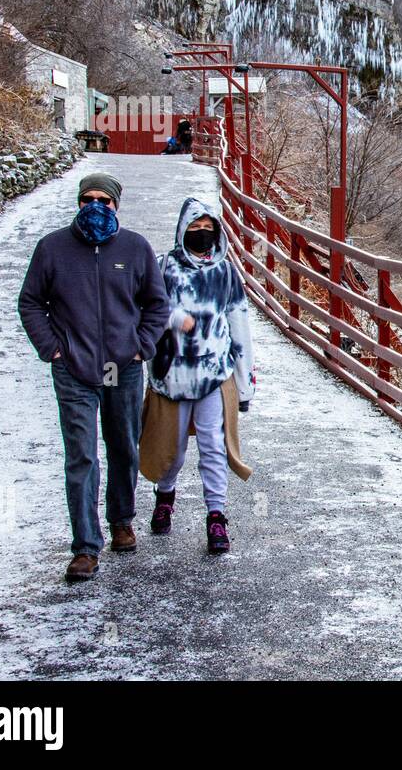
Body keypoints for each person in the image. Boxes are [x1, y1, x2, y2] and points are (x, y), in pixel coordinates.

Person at [19, 173, 170, 583]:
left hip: (123, 368)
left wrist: (142, 346)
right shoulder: (53, 248)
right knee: (82, 456)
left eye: (105, 199)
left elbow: (157, 305)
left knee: (123, 447)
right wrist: (52, 348)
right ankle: (85, 546)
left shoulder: (136, 248)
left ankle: (121, 519)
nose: (96, 206)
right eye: (88, 198)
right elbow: (31, 301)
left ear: (117, 204)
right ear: (78, 201)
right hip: (75, 369)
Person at [139, 198, 255, 555]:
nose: (202, 234)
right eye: (195, 228)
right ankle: (165, 493)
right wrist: (173, 319)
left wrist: (244, 379)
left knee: (213, 447)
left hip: (214, 373)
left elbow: (239, 323)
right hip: (172, 374)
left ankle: (216, 516)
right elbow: (146, 309)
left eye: (208, 229)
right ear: (182, 229)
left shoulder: (225, 272)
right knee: (171, 451)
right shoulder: (164, 268)